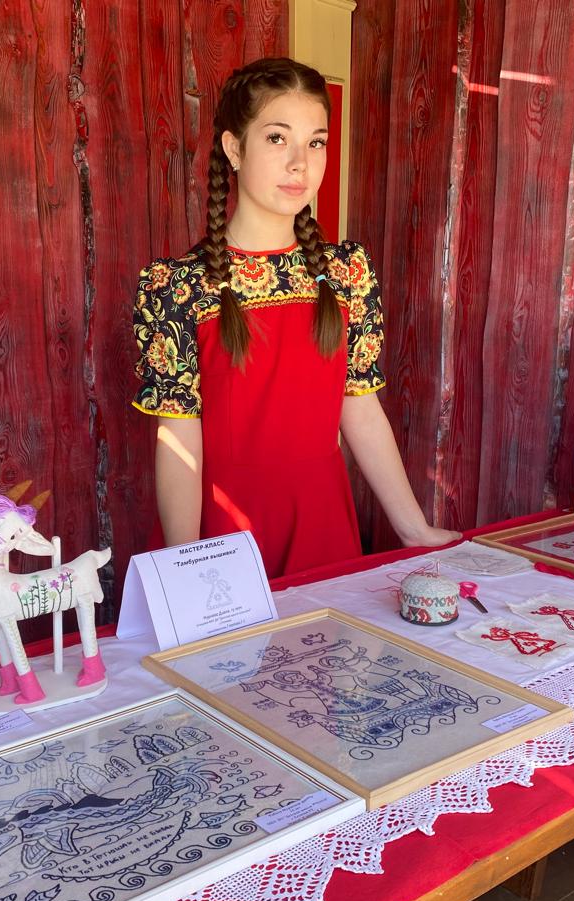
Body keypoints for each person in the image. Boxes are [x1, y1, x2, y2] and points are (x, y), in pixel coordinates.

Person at [132, 57, 458, 578]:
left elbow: (360, 408)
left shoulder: (346, 273)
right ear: (234, 149)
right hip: (221, 539)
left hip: (323, 527)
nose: (300, 164)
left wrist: (413, 528)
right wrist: (186, 564)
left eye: (316, 142)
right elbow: (179, 439)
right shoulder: (179, 287)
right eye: (277, 138)